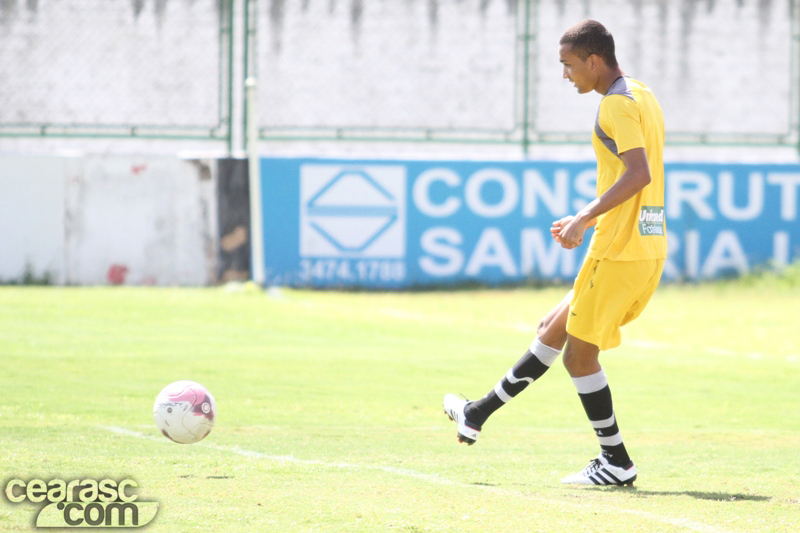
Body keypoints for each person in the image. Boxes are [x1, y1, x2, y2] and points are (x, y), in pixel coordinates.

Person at [443, 19, 667, 487]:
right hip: (641, 245)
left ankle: (616, 461)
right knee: (552, 328)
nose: (565, 76)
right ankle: (476, 414)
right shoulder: (641, 93)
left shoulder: (616, 106)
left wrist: (583, 216)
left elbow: (638, 173)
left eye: (568, 65)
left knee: (579, 358)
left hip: (619, 249)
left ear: (593, 60)